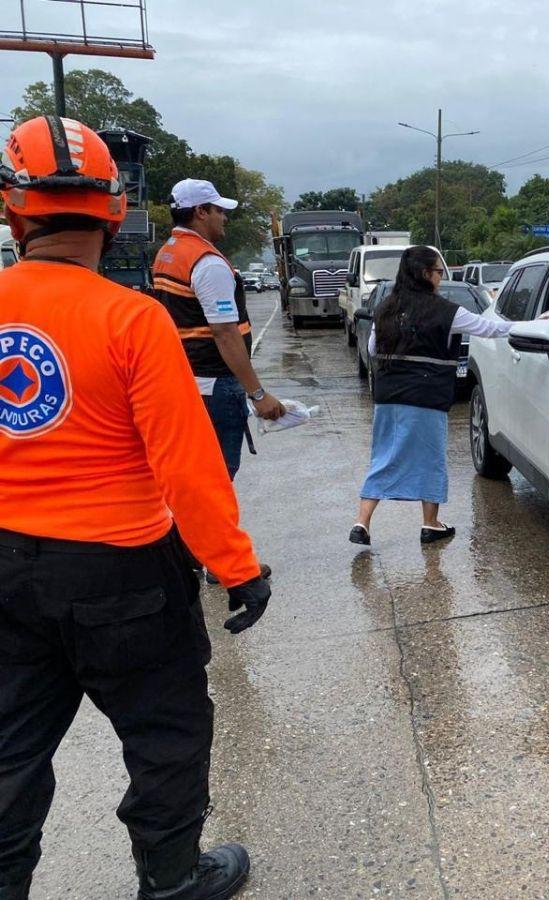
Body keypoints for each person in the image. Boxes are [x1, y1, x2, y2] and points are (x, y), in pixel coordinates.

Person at [0, 116, 269, 899]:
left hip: (10, 563)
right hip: (123, 573)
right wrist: (237, 568)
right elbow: (186, 469)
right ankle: (173, 880)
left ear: (13, 211)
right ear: (113, 212)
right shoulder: (130, 318)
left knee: (11, 749)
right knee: (167, 734)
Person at [349, 246, 549, 545]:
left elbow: (373, 349)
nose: (441, 276)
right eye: (439, 271)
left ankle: (362, 522)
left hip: (388, 397)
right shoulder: (447, 312)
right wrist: (541, 325)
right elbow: (490, 328)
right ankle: (430, 524)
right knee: (430, 459)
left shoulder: (386, 308)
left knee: (384, 456)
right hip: (426, 398)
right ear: (425, 274)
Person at [152, 178, 285, 482]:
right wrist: (258, 393)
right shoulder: (207, 262)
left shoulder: (169, 252)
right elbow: (225, 332)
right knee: (218, 475)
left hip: (187, 377)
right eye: (219, 210)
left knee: (191, 474)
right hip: (215, 385)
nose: (224, 217)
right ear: (201, 211)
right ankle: (207, 530)